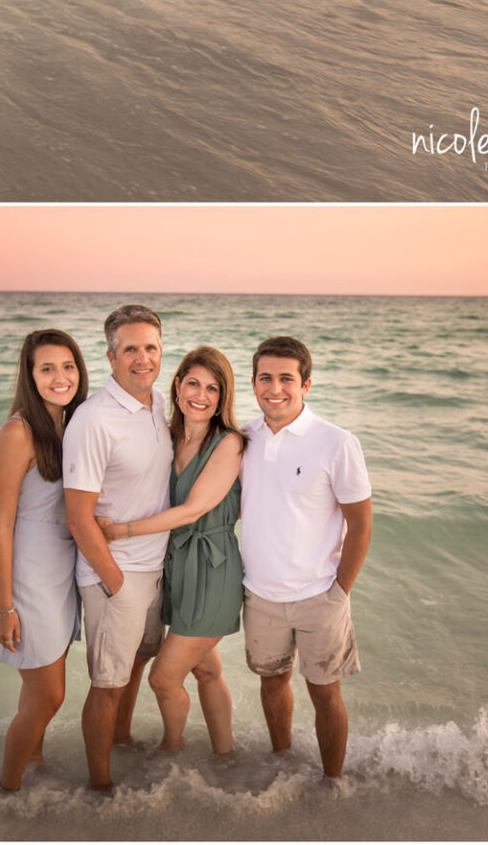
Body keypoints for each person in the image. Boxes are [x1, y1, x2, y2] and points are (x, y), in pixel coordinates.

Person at [100, 345, 245, 758]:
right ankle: (225, 756)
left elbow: (193, 509)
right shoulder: (167, 436)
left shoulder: (228, 443)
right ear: (178, 385)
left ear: (223, 397)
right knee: (205, 668)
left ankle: (172, 753)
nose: (201, 395)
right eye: (193, 383)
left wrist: (121, 531)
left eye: (213, 388)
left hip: (212, 569)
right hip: (176, 568)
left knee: (163, 679)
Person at [239, 335, 372, 782]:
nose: (274, 388)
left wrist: (340, 591)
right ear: (253, 382)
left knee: (324, 692)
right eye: (265, 378)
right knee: (272, 683)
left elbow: (361, 523)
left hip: (320, 595)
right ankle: (281, 761)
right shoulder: (242, 439)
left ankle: (332, 781)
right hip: (260, 594)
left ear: (306, 384)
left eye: (286, 379)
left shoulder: (336, 442)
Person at [61, 304, 175, 790]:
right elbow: (77, 515)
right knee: (107, 683)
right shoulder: (93, 420)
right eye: (131, 349)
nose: (142, 358)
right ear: (110, 357)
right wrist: (114, 581)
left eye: (150, 347)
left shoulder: (157, 406)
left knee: (137, 663)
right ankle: (101, 786)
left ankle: (122, 741)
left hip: (154, 569)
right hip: (116, 576)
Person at [0, 329, 88, 790]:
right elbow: (0, 525)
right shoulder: (18, 431)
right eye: (47, 368)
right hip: (27, 576)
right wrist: (4, 606)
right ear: (30, 375)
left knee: (35, 692)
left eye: (68, 366)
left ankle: (34, 767)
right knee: (50, 695)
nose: (60, 376)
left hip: (61, 571)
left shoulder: (71, 425)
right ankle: (6, 792)